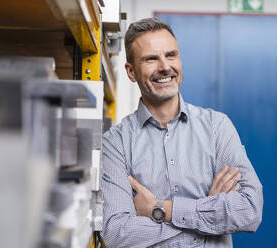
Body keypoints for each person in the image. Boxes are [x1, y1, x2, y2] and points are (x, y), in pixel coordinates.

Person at [100, 18, 263, 248]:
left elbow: (250, 209)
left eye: (171, 55)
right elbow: (116, 233)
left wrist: (160, 209)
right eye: (151, 59)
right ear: (131, 71)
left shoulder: (217, 127)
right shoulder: (115, 143)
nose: (165, 67)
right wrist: (206, 217)